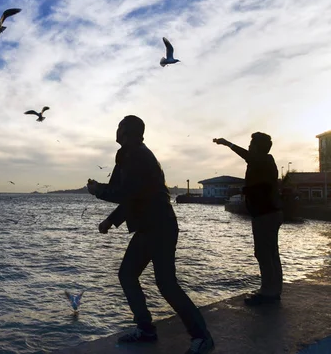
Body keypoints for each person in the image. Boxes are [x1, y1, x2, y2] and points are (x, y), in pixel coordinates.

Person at [87, 115, 214, 354]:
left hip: (158, 227)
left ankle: (201, 337)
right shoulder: (132, 155)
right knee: (128, 274)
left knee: (166, 284)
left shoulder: (134, 155)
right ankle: (145, 329)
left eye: (119, 127)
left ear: (126, 132)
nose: (116, 130)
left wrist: (97, 190)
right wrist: (111, 220)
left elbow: (123, 191)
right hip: (152, 226)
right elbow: (134, 196)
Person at [213, 133, 283, 305]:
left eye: (252, 144)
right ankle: (274, 290)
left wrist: (228, 143)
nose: (249, 146)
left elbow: (249, 158)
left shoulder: (262, 161)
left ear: (258, 147)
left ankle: (268, 292)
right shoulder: (264, 162)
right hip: (269, 212)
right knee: (271, 252)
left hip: (265, 214)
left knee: (264, 253)